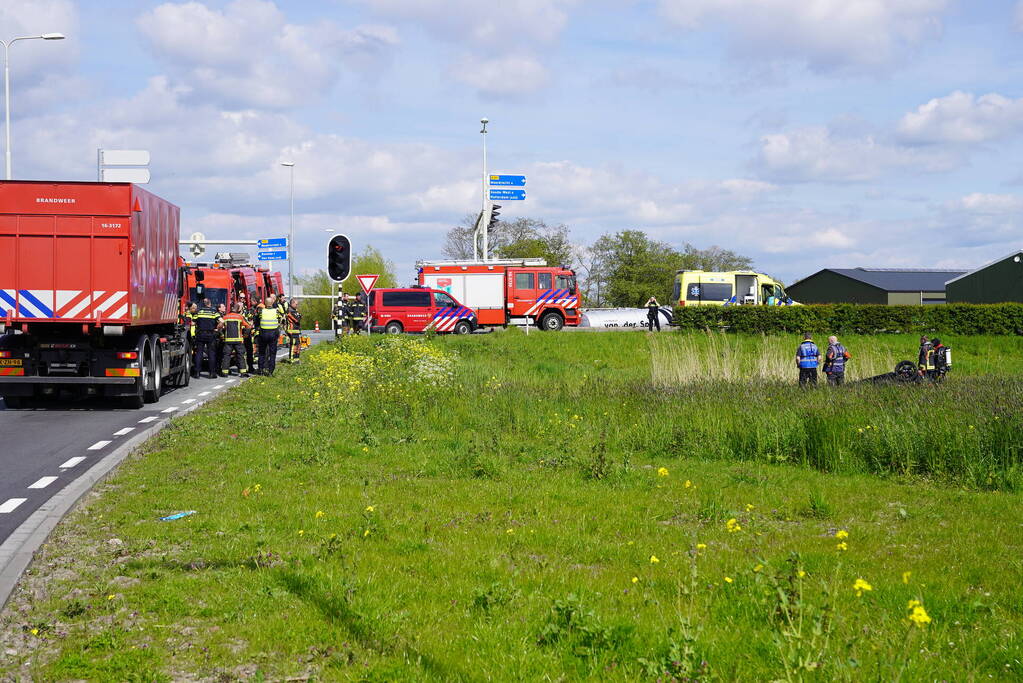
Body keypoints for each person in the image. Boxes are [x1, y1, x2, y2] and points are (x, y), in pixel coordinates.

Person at [218, 302, 251, 376]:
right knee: (240, 356)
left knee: (227, 356)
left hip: (228, 340)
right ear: (238, 309)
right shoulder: (240, 317)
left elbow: (219, 327)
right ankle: (243, 372)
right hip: (238, 340)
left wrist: (222, 335)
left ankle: (224, 372)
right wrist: (245, 335)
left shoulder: (225, 317)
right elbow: (248, 326)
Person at [192, 298, 222, 379]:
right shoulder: (213, 312)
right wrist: (217, 328)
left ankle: (197, 373)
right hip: (211, 334)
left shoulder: (198, 312)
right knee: (211, 354)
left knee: (199, 353)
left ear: (203, 304)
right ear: (210, 303)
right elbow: (222, 321)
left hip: (200, 334)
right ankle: (212, 373)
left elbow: (192, 323)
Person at [257, 296, 280, 376]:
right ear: (272, 303)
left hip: (263, 334)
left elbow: (257, 320)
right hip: (273, 334)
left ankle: (260, 370)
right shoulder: (276, 311)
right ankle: (270, 371)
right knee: (272, 354)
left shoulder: (261, 311)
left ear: (265, 303)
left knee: (262, 353)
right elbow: (280, 320)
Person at [285, 297, 302, 363]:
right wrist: (298, 315)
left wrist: (298, 315)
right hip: (292, 331)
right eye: (296, 304)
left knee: (298, 344)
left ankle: (296, 359)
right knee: (293, 345)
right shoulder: (290, 311)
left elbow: (300, 316)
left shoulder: (294, 310)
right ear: (292, 303)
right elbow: (297, 319)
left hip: (296, 330)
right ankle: (292, 359)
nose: (297, 305)